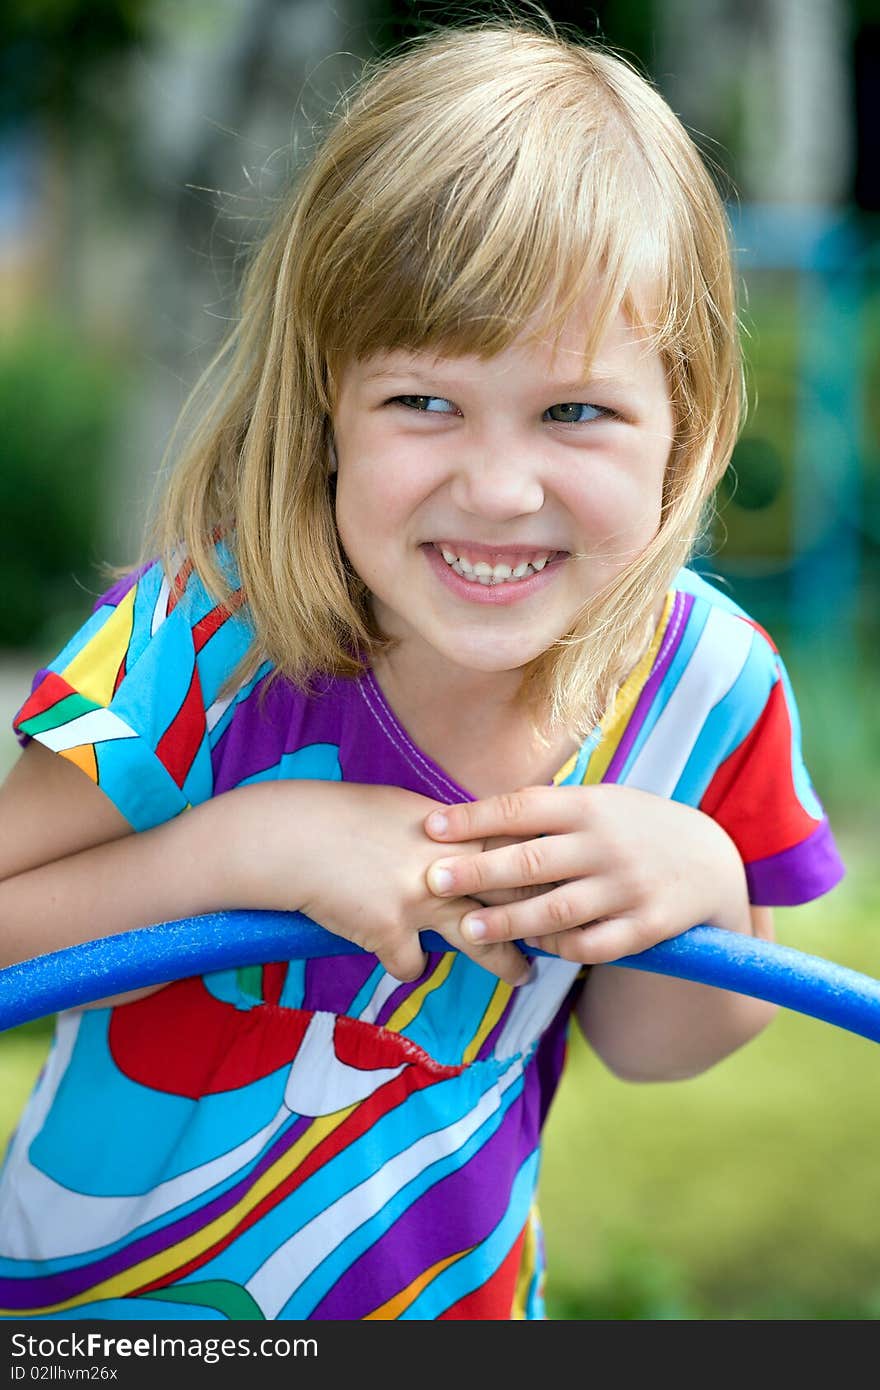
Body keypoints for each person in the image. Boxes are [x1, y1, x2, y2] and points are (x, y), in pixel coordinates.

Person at [0, 18, 844, 1322]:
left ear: (686, 413)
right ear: (326, 401)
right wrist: (249, 846)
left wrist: (705, 889)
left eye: (576, 412)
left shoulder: (703, 687)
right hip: (89, 1314)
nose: (499, 488)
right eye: (424, 404)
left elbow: (662, 1045)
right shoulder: (206, 636)